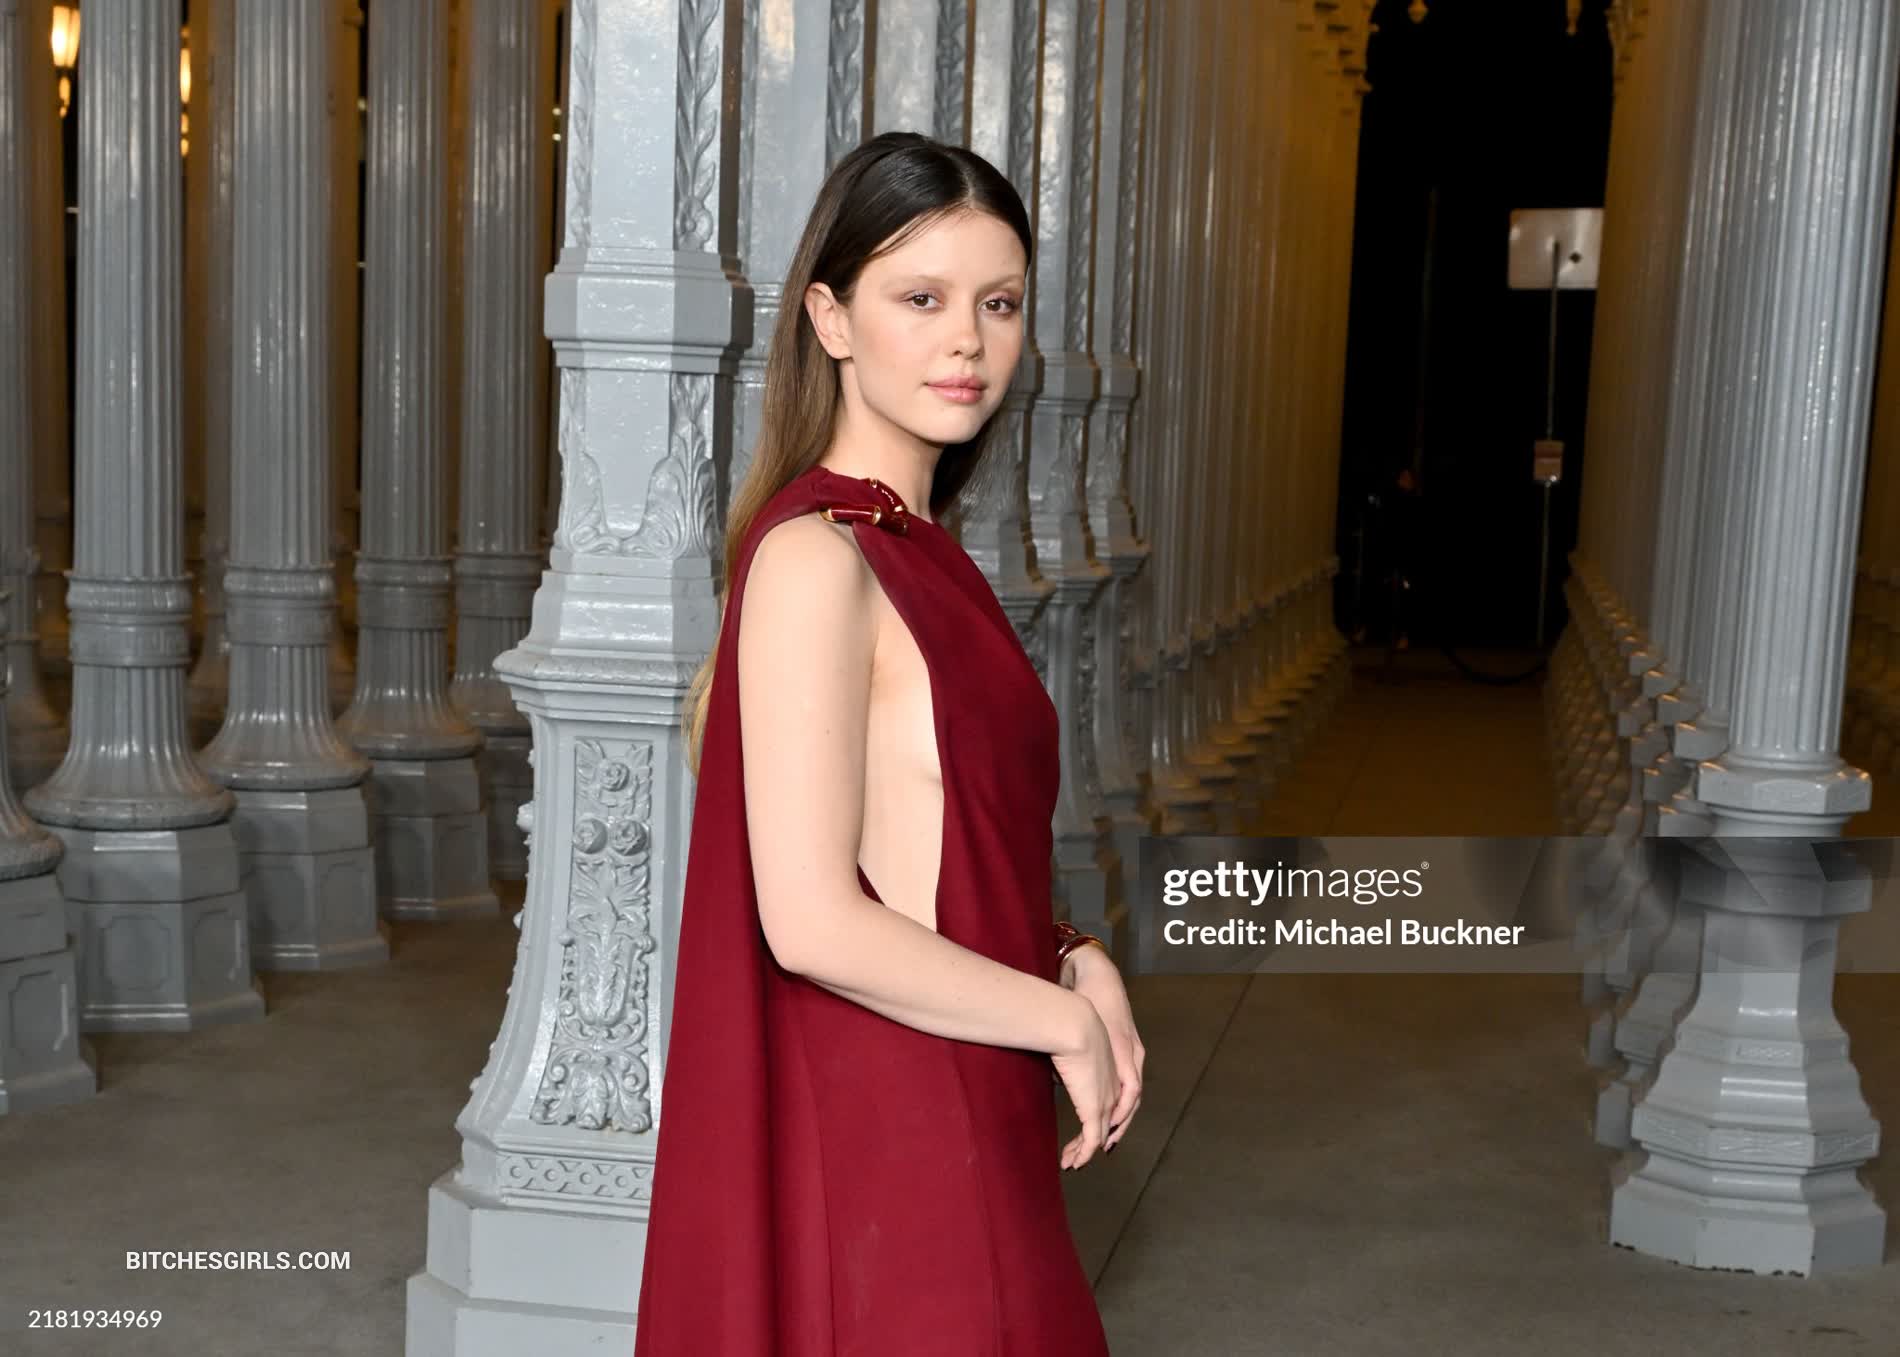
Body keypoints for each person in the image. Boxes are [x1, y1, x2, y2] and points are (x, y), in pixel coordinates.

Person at [632, 132, 1145, 1356]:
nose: (966, 340)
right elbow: (809, 920)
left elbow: (935, 841)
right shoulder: (817, 558)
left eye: (998, 304)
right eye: (921, 299)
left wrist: (1070, 955)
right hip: (904, 1120)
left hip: (974, 1085)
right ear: (832, 319)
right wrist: (1060, 1021)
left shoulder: (916, 547)